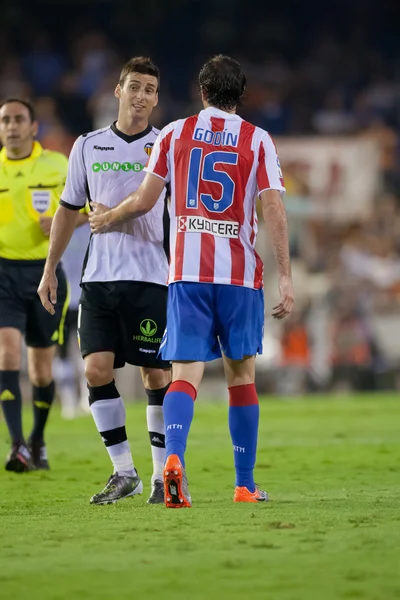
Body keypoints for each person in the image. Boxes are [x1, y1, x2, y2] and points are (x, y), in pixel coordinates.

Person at [84, 54, 295, 508]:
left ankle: (174, 462)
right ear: (242, 96)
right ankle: (243, 484)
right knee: (241, 378)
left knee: (184, 375)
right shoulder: (257, 140)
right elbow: (273, 208)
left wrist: (106, 218)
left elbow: (143, 202)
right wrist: (287, 276)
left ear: (202, 92)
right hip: (238, 277)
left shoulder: (175, 134)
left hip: (186, 274)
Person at [38, 57, 171, 505]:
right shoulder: (88, 146)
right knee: (95, 369)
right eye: (134, 86)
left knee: (156, 374)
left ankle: (160, 476)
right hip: (98, 279)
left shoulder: (166, 145)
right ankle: (123, 472)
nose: (142, 95)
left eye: (150, 89)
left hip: (151, 276)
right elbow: (67, 210)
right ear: (117, 91)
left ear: (156, 98)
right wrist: (49, 269)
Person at [0, 98, 72, 472]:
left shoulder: (58, 166)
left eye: (18, 119)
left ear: (33, 127)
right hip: (2, 274)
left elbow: (86, 211)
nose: (11, 126)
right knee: (7, 354)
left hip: (45, 274)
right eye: (5, 120)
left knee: (40, 372)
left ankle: (37, 438)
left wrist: (61, 222)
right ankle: (16, 446)